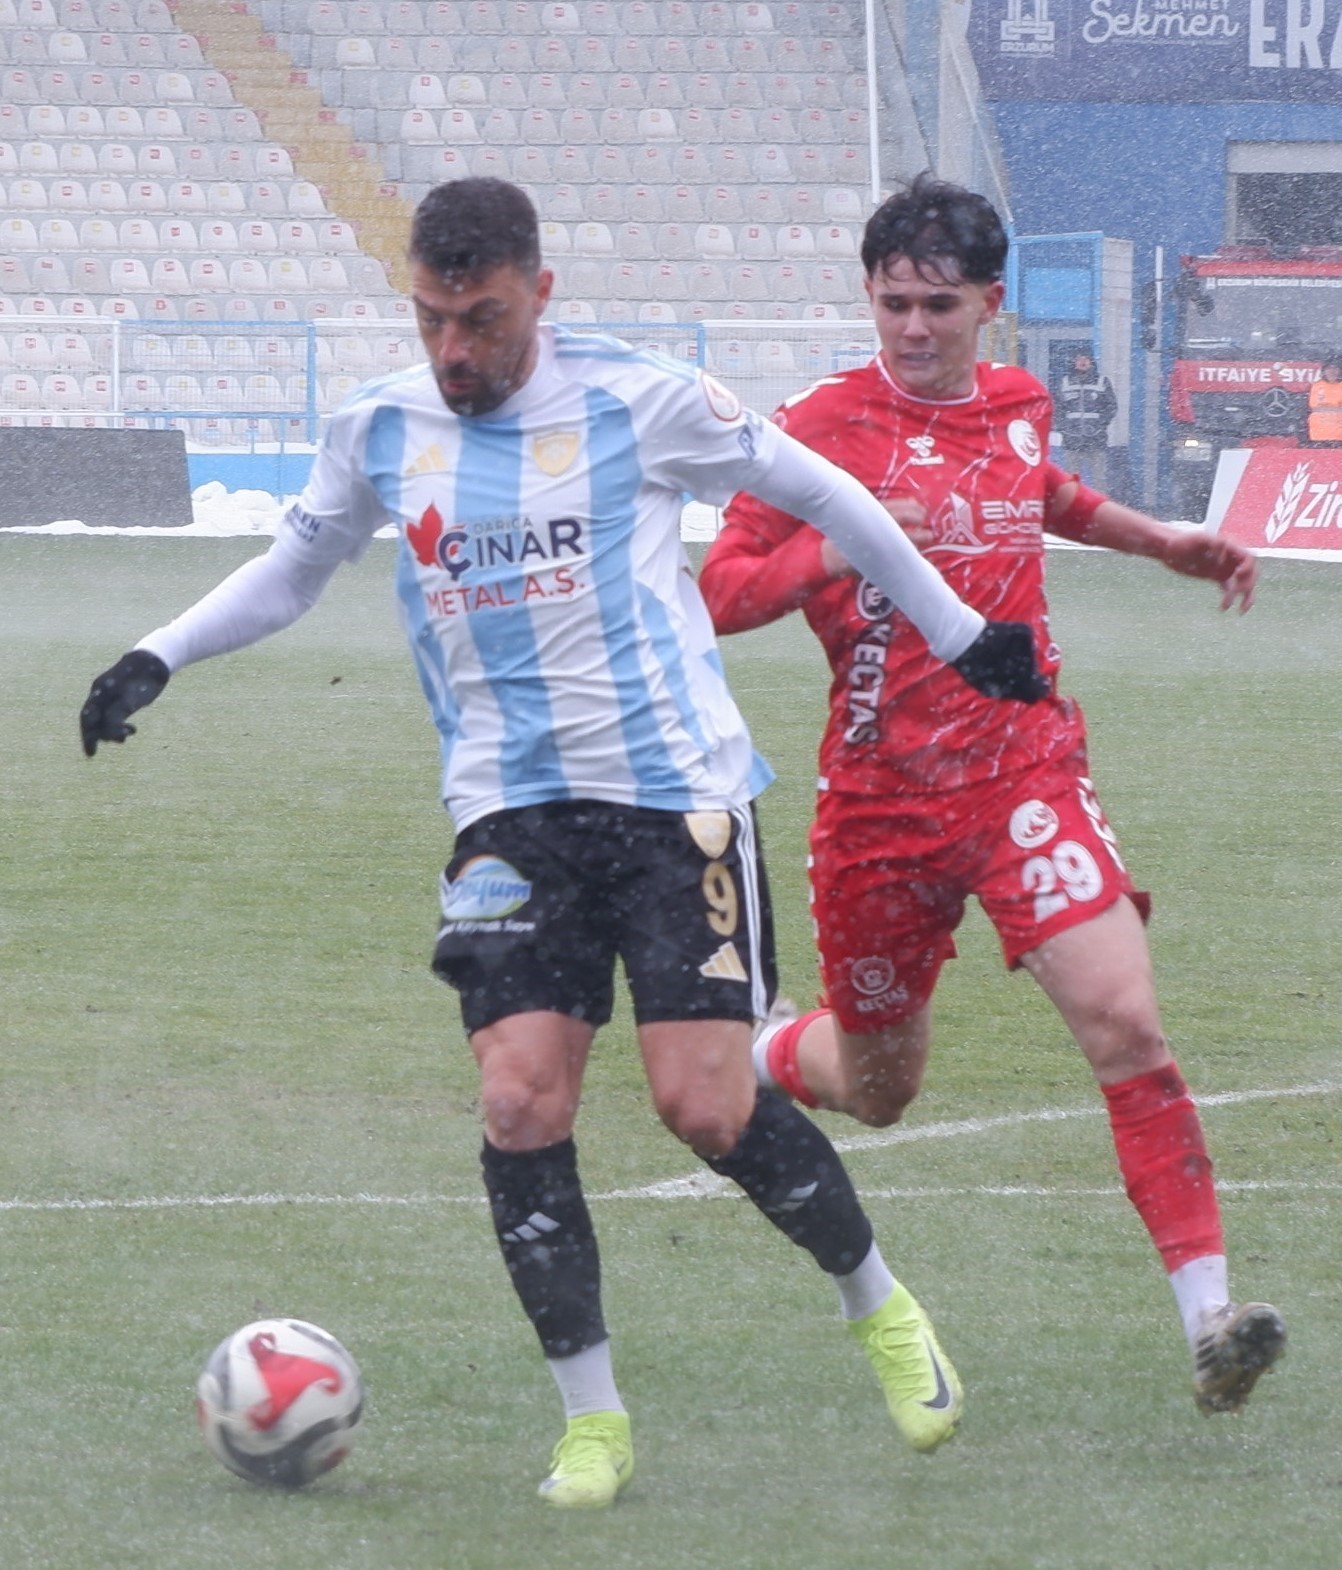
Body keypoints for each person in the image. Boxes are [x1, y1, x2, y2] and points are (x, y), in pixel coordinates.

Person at [79, 179, 1047, 1507]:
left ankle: (876, 1302)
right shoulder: (379, 425)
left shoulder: (640, 399)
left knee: (703, 1104)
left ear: (538, 293)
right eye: (431, 319)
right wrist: (158, 653)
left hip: (672, 796)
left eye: (479, 319)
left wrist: (957, 632)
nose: (453, 350)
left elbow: (829, 494)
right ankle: (592, 1421)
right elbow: (293, 570)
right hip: (507, 809)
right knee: (519, 1100)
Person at [699, 172, 1285, 1423]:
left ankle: (1210, 1319)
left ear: (989, 304)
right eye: (893, 304)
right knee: (878, 1090)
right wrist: (836, 544)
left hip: (1022, 771)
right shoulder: (813, 429)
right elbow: (720, 593)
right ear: (870, 297)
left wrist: (1159, 539)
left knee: (1125, 1023)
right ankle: (760, 1047)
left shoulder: (1017, 401)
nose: (913, 328)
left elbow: (1040, 491)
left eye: (939, 305)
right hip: (876, 805)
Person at [1055, 346, 1118, 488]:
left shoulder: (1102, 381)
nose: (1082, 362)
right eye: (1079, 359)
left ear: (1091, 362)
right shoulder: (1065, 382)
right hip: (1071, 440)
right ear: (1074, 362)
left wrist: (1100, 425)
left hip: (1096, 440)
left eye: (1086, 359)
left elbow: (1111, 406)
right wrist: (1063, 428)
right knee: (1070, 481)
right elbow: (1057, 408)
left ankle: (1099, 503)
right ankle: (1073, 503)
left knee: (1099, 481)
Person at [1307, 355, 1342, 443]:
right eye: (1329, 368)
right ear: (1324, 371)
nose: (1332, 371)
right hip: (1318, 436)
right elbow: (1312, 407)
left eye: (1335, 368)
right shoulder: (1316, 386)